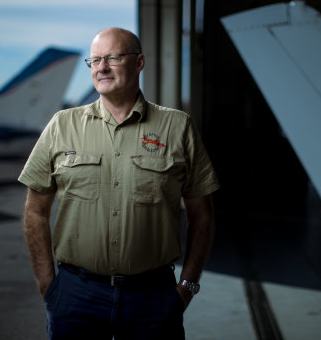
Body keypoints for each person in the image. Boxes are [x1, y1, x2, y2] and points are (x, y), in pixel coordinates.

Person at [18, 27, 220, 339]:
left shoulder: (177, 127)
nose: (101, 67)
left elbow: (202, 213)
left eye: (113, 58)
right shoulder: (62, 125)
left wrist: (187, 286)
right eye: (95, 60)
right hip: (76, 296)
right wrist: (48, 285)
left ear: (139, 62)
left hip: (153, 299)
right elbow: (35, 210)